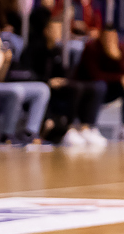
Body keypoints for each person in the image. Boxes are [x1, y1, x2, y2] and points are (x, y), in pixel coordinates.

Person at [20, 17, 106, 148]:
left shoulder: (56, 50)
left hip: (55, 87)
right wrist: (48, 81)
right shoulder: (34, 48)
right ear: (46, 31)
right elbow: (27, 72)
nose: (58, 33)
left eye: (60, 30)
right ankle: (66, 129)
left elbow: (62, 71)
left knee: (83, 87)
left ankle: (84, 127)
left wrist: (63, 80)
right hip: (40, 85)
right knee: (68, 89)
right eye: (55, 29)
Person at [0, 16, 47, 146]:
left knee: (42, 89)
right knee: (16, 91)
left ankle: (30, 132)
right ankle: (7, 134)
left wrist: (6, 63)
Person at [80, 24, 124, 143]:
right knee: (100, 86)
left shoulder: (121, 48)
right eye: (107, 37)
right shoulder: (91, 48)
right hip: (90, 89)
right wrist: (119, 78)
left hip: (109, 88)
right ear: (101, 36)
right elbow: (94, 75)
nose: (110, 40)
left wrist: (118, 57)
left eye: (112, 37)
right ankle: (91, 127)